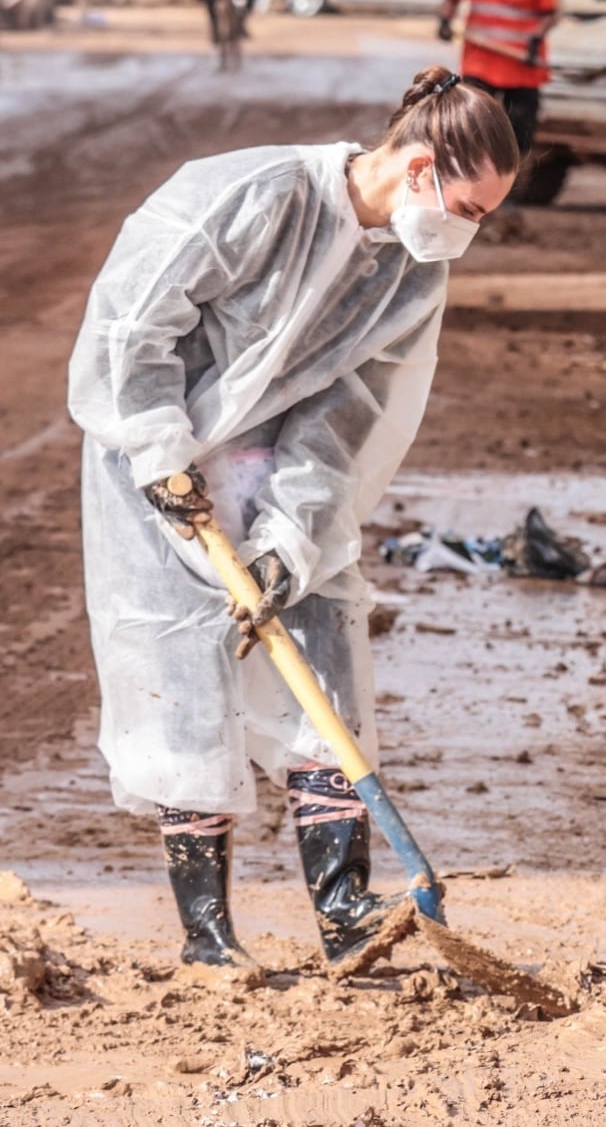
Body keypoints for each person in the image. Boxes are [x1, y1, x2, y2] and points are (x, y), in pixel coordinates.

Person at [67, 69, 521, 981]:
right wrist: (159, 453)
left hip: (282, 480)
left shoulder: (407, 269)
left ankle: (348, 914)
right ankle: (208, 938)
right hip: (162, 463)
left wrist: (293, 537)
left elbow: (351, 409)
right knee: (182, 690)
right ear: (421, 168)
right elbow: (134, 322)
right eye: (469, 207)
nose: (467, 231)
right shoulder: (254, 194)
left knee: (325, 677)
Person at [438, 0, 558, 155]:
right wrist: (445, 20)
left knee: (519, 133)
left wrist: (536, 37)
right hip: (480, 63)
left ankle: (513, 186)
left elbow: (550, 14)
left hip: (520, 66)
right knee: (474, 126)